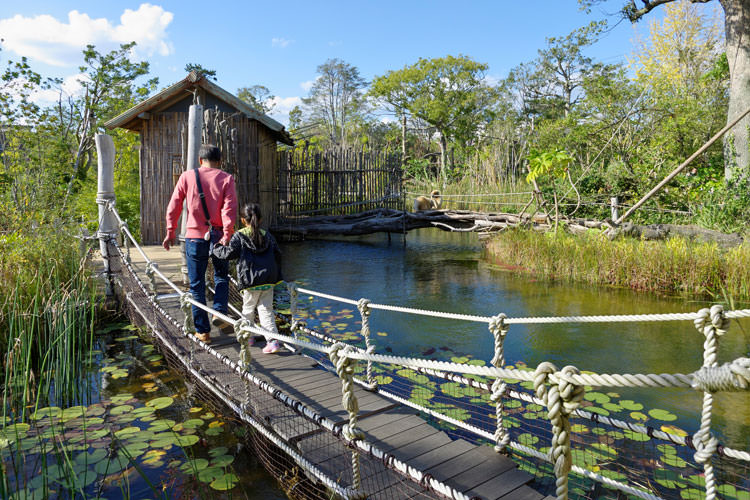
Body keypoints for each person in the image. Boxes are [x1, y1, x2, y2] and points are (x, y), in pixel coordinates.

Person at [163, 144, 237, 344]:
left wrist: (170, 231)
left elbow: (174, 205)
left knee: (196, 286)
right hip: (219, 237)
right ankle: (219, 312)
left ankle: (203, 332)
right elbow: (229, 209)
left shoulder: (187, 176)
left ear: (199, 160)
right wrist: (227, 234)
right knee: (221, 276)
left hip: (194, 237)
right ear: (219, 161)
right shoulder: (226, 179)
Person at [212, 203, 284, 354]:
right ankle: (273, 341)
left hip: (250, 282)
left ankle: (247, 337)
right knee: (266, 311)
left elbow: (229, 254)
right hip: (268, 280)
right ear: (261, 219)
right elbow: (278, 254)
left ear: (243, 220)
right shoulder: (267, 235)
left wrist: (216, 248)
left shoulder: (239, 235)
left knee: (248, 310)